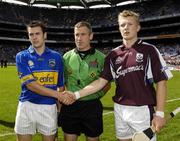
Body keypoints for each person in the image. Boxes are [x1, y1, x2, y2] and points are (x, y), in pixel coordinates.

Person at [65, 10, 173, 141]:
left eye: (130, 24)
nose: (126, 28)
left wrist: (160, 113)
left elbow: (161, 82)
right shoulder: (113, 55)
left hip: (142, 110)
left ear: (138, 27)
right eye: (122, 25)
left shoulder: (149, 50)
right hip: (120, 109)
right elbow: (100, 82)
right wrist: (76, 95)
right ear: (119, 28)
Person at [14, 20, 73, 141]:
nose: (34, 37)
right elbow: (30, 85)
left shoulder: (57, 57)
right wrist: (59, 95)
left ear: (44, 35)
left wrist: (59, 110)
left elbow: (60, 85)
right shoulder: (21, 56)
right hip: (26, 106)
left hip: (49, 107)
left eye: (37, 34)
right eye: (31, 34)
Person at [59, 21, 110, 141]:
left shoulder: (102, 58)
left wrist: (95, 94)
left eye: (83, 34)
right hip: (70, 106)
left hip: (92, 107)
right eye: (76, 34)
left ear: (91, 36)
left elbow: (107, 85)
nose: (79, 38)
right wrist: (60, 107)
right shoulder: (66, 57)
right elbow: (62, 83)